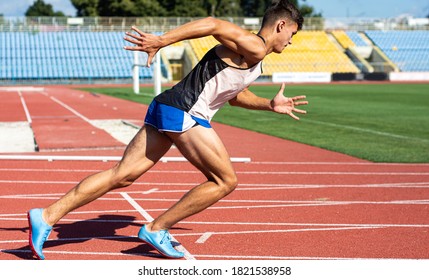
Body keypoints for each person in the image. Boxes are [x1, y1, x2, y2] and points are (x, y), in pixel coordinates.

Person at [27, 0, 307, 260]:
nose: (292, 41)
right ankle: (156, 228)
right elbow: (212, 23)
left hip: (170, 106)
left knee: (122, 175)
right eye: (292, 33)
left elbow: (235, 96)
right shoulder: (255, 46)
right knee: (225, 181)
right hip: (185, 111)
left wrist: (269, 104)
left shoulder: (255, 60)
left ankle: (47, 215)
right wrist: (162, 40)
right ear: (281, 25)